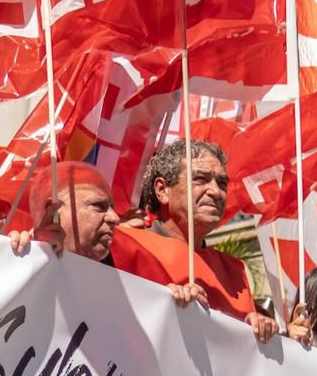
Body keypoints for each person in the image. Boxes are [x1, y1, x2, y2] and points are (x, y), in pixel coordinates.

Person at [111, 139, 277, 339]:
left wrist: (266, 330)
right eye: (200, 179)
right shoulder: (122, 245)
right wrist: (159, 302)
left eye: (222, 183)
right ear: (162, 190)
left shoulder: (234, 271)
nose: (216, 191)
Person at [29, 161, 123, 266]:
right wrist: (30, 257)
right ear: (52, 211)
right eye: (98, 206)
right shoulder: (15, 265)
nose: (115, 218)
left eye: (112, 208)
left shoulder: (122, 278)